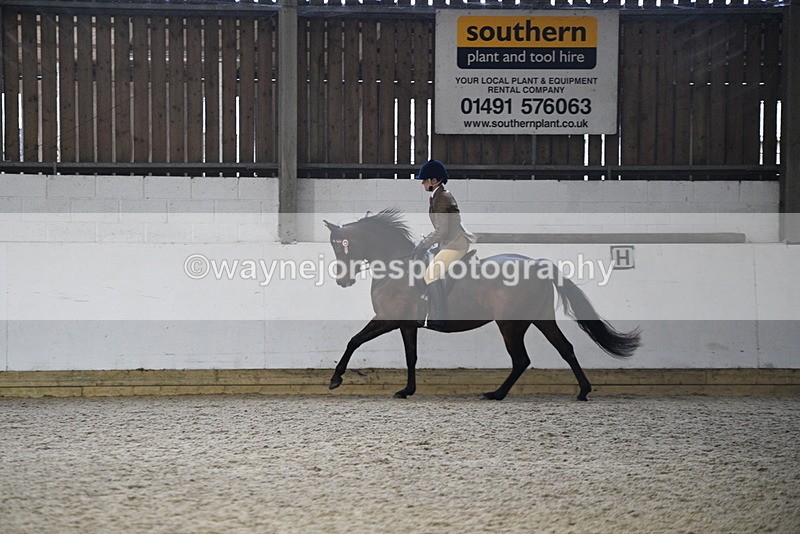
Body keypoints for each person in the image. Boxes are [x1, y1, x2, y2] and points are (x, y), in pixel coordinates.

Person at [412, 160, 476, 330]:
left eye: (424, 180)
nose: (422, 183)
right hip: (448, 241)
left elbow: (441, 230)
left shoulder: (442, 198)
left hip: (455, 244)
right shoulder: (438, 196)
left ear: (434, 180)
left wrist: (423, 245)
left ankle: (439, 317)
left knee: (430, 274)